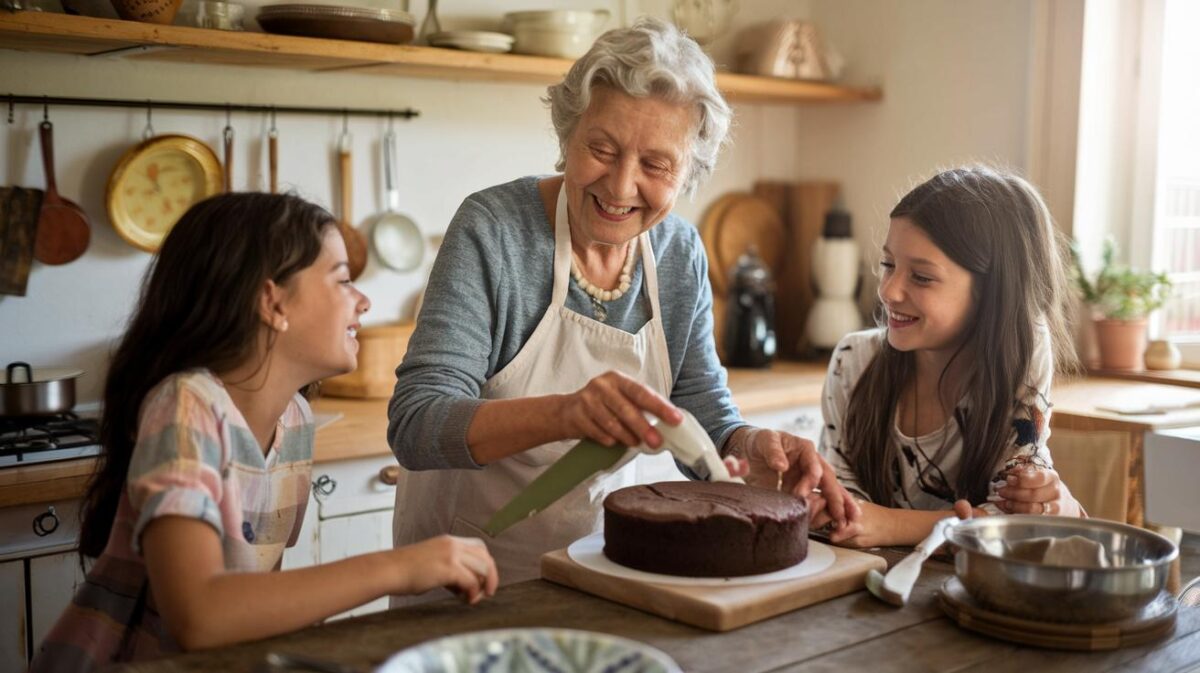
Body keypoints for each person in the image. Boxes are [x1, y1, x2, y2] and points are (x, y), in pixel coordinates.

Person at [387, 17, 858, 593]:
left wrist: (748, 446)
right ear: (567, 137)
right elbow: (416, 422)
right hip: (459, 573)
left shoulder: (679, 250)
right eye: (601, 149)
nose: (620, 186)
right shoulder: (495, 231)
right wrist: (563, 413)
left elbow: (698, 406)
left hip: (597, 572)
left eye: (656, 165)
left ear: (688, 174)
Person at [31, 194, 497, 672]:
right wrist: (400, 568)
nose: (364, 300)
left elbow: (257, 596)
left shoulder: (294, 420)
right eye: (342, 280)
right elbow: (200, 615)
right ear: (273, 302)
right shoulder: (185, 406)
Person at [818, 166, 1086, 549]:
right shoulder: (853, 362)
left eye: (922, 277)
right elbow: (840, 503)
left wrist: (891, 526)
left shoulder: (1020, 362)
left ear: (991, 293)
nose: (889, 291)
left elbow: (1011, 522)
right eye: (888, 265)